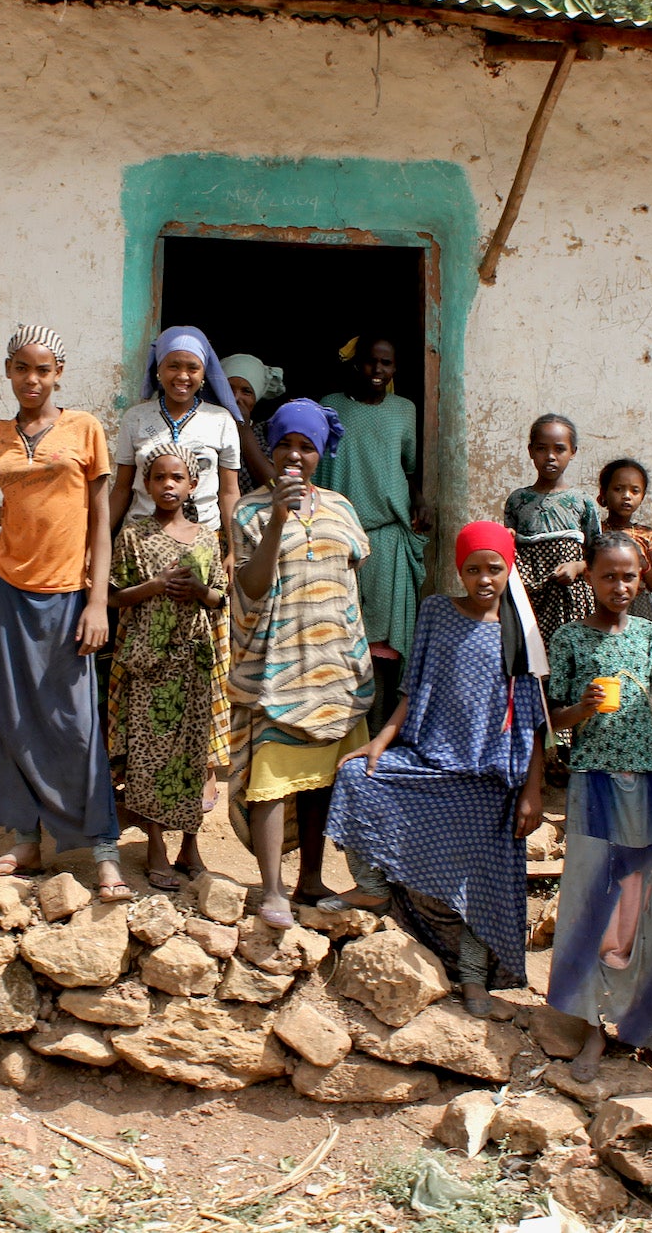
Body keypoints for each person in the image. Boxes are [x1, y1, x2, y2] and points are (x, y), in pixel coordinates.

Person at [324, 522, 548, 1018]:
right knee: (356, 778)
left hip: (492, 781)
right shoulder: (437, 612)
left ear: (509, 568)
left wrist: (532, 791)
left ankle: (472, 981)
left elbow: (534, 721)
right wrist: (381, 740)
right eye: (473, 569)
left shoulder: (521, 633)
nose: (483, 579)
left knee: (481, 879)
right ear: (458, 570)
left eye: (494, 568)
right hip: (432, 761)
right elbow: (413, 684)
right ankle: (375, 889)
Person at [0, 325, 130, 901]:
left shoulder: (85, 429)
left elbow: (101, 520)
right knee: (11, 712)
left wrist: (98, 601)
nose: (33, 379)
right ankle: (24, 841)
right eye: (22, 369)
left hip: (68, 593)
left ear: (59, 373)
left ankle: (103, 846)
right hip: (8, 587)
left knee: (75, 722)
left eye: (44, 369)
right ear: (8, 372)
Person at [544, 533, 652, 1080]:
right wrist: (581, 710)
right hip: (592, 783)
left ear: (641, 580)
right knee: (592, 903)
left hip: (645, 781)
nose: (619, 586)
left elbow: (647, 701)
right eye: (608, 576)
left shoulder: (645, 632)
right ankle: (592, 1031)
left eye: (630, 576)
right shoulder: (569, 639)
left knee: (642, 903)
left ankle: (644, 1022)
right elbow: (550, 719)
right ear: (589, 577)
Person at [229, 398, 373, 929]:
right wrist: (277, 521)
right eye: (285, 443)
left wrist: (357, 652)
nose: (294, 454)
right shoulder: (248, 510)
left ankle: (310, 880)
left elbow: (351, 581)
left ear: (321, 453)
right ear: (269, 448)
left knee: (321, 782)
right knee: (270, 776)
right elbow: (250, 583)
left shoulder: (341, 508)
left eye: (306, 446)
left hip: (335, 665)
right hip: (277, 665)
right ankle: (272, 889)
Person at [109, 444, 229, 890]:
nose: (168, 486)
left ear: (192, 484)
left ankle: (190, 847)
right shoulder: (133, 536)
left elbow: (220, 598)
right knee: (150, 757)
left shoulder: (206, 538)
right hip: (149, 664)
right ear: (146, 484)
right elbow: (112, 595)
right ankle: (156, 846)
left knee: (193, 758)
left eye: (176, 478)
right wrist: (155, 586)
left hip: (194, 661)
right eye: (159, 478)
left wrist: (198, 589)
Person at [318, 336, 428, 719]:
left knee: (382, 644)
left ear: (395, 369)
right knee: (335, 638)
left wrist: (417, 498)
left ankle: (380, 726)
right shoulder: (329, 406)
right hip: (337, 537)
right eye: (370, 362)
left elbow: (406, 467)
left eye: (386, 364)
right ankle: (339, 730)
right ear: (356, 364)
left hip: (386, 538)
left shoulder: (404, 410)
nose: (377, 371)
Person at [111, 326, 244, 549]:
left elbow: (229, 492)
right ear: (158, 369)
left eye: (193, 368)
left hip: (203, 543)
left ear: (203, 373)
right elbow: (122, 489)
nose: (182, 376)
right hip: (140, 542)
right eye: (173, 366)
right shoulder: (136, 418)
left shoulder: (221, 421)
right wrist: (94, 543)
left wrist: (235, 548)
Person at [506, 414, 602, 643]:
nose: (550, 457)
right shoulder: (518, 500)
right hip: (528, 597)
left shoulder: (582, 501)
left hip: (570, 598)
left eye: (559, 449)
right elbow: (509, 550)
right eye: (541, 448)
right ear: (530, 451)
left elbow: (599, 556)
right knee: (532, 660)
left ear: (573, 452)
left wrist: (578, 567)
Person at [598, 459, 652, 623]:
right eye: (618, 489)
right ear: (603, 493)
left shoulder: (646, 535)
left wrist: (643, 563)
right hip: (603, 603)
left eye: (634, 491)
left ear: (642, 497)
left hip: (639, 607)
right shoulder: (596, 531)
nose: (626, 496)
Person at [222, 352, 284, 494]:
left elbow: (274, 484)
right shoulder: (203, 426)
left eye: (246, 392)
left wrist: (244, 430)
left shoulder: (265, 432)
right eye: (229, 389)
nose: (236, 398)